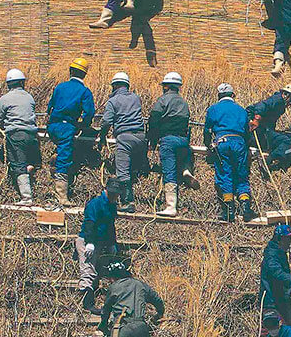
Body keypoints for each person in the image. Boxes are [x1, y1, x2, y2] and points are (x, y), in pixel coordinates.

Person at [99, 260, 165, 337]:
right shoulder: (140, 285)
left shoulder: (114, 287)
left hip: (123, 328)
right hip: (142, 328)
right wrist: (159, 314)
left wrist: (103, 326)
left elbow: (106, 310)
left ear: (114, 277)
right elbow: (158, 301)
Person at [148, 71, 199, 218]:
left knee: (169, 171)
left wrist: (152, 140)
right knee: (183, 154)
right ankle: (186, 170)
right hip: (183, 140)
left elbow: (154, 120)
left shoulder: (162, 100)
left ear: (166, 87)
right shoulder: (183, 102)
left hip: (168, 139)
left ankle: (171, 207)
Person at [46, 56, 95, 205]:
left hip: (52, 126)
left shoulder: (60, 87)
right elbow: (89, 113)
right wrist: (82, 126)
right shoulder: (84, 91)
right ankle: (62, 197)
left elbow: (49, 108)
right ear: (84, 74)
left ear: (70, 71)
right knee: (65, 158)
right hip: (66, 128)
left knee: (61, 149)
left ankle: (54, 158)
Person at [203, 83, 255, 223]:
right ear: (233, 95)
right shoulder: (241, 110)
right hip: (239, 143)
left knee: (225, 174)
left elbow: (207, 130)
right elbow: (247, 132)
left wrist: (208, 144)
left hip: (222, 142)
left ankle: (229, 210)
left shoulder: (213, 109)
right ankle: (245, 208)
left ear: (219, 96)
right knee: (242, 175)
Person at [98, 72, 147, 213]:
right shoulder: (136, 98)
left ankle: (128, 201)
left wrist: (102, 136)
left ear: (114, 86)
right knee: (135, 167)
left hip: (125, 138)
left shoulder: (113, 101)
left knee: (122, 171)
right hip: (141, 137)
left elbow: (106, 121)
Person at [77, 177, 122, 314]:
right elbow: (90, 223)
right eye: (112, 193)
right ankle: (87, 304)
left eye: (116, 194)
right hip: (87, 241)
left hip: (100, 242)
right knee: (88, 270)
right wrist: (89, 242)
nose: (114, 196)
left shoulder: (112, 206)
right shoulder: (95, 204)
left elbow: (110, 226)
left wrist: (112, 243)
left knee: (99, 271)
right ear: (105, 190)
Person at [0, 68, 41, 205]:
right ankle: (30, 171)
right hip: (32, 135)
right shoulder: (29, 97)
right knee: (29, 162)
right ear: (22, 83)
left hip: (16, 135)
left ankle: (27, 198)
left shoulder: (5, 99)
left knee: (18, 164)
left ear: (8, 84)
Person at [247, 84, 291, 171]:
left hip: (261, 130)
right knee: (287, 141)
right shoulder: (278, 99)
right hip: (259, 132)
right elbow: (262, 105)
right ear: (286, 95)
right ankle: (268, 161)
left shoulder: (280, 103)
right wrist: (256, 119)